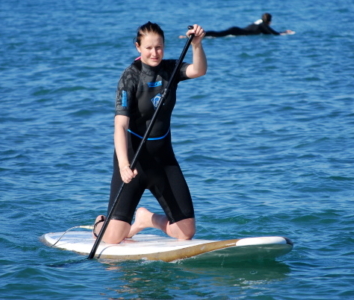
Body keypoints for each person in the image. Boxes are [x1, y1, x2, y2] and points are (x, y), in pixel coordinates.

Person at [93, 22, 208, 244]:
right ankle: (100, 223)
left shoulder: (170, 69)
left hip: (163, 159)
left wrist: (197, 45)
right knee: (113, 238)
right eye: (148, 48)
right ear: (138, 47)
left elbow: (198, 70)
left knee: (186, 232)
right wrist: (124, 165)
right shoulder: (130, 77)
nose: (154, 53)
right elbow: (120, 126)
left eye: (159, 47)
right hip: (134, 161)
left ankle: (147, 219)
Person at [193, 13, 294, 38]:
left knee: (219, 33)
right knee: (219, 35)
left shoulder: (258, 22)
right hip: (238, 32)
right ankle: (197, 34)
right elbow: (273, 33)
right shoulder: (263, 25)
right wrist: (285, 32)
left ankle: (196, 34)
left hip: (236, 29)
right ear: (269, 21)